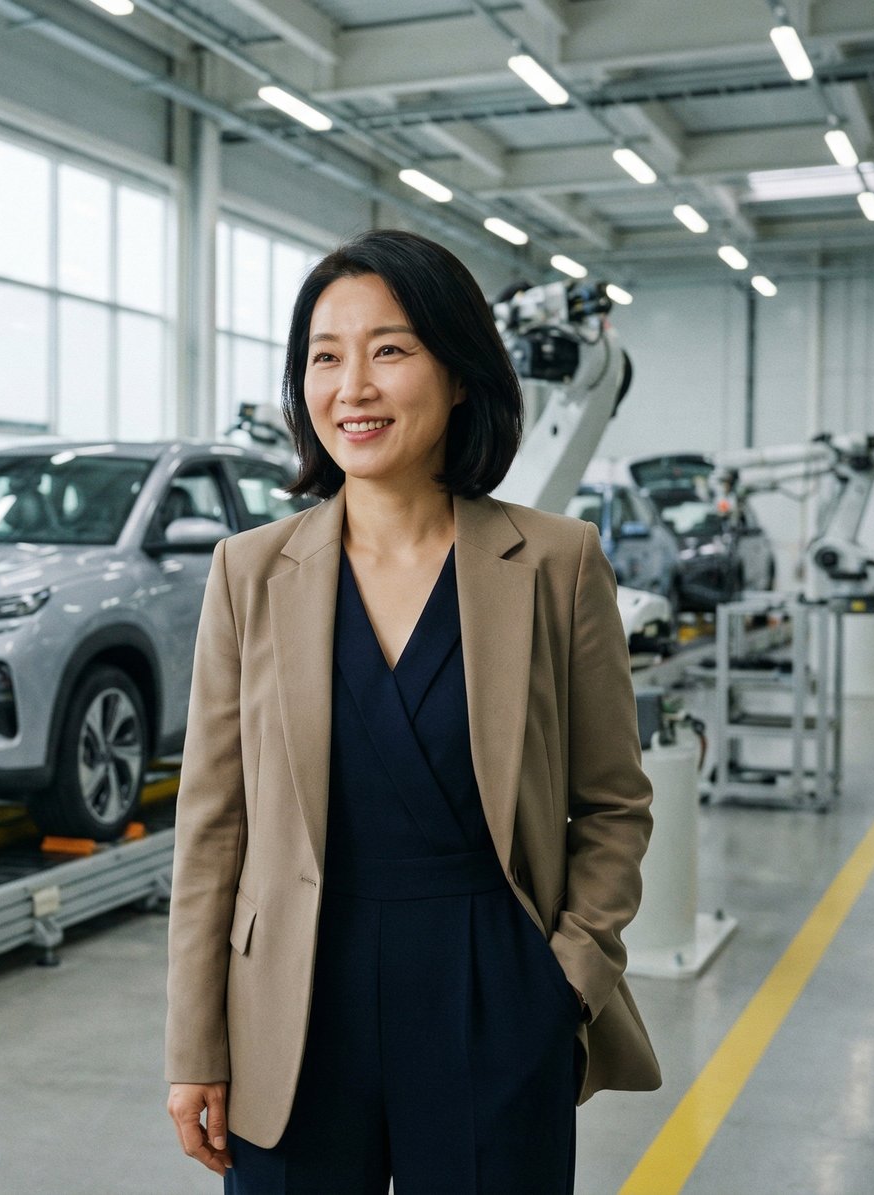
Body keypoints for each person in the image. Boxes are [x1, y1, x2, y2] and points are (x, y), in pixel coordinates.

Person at [164, 229, 661, 1193]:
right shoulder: (251, 572)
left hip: (495, 988)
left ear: (462, 371)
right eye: (325, 356)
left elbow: (612, 802)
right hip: (292, 1005)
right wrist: (196, 1038)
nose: (353, 385)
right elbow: (212, 826)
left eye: (390, 349)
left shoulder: (556, 563)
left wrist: (563, 982)